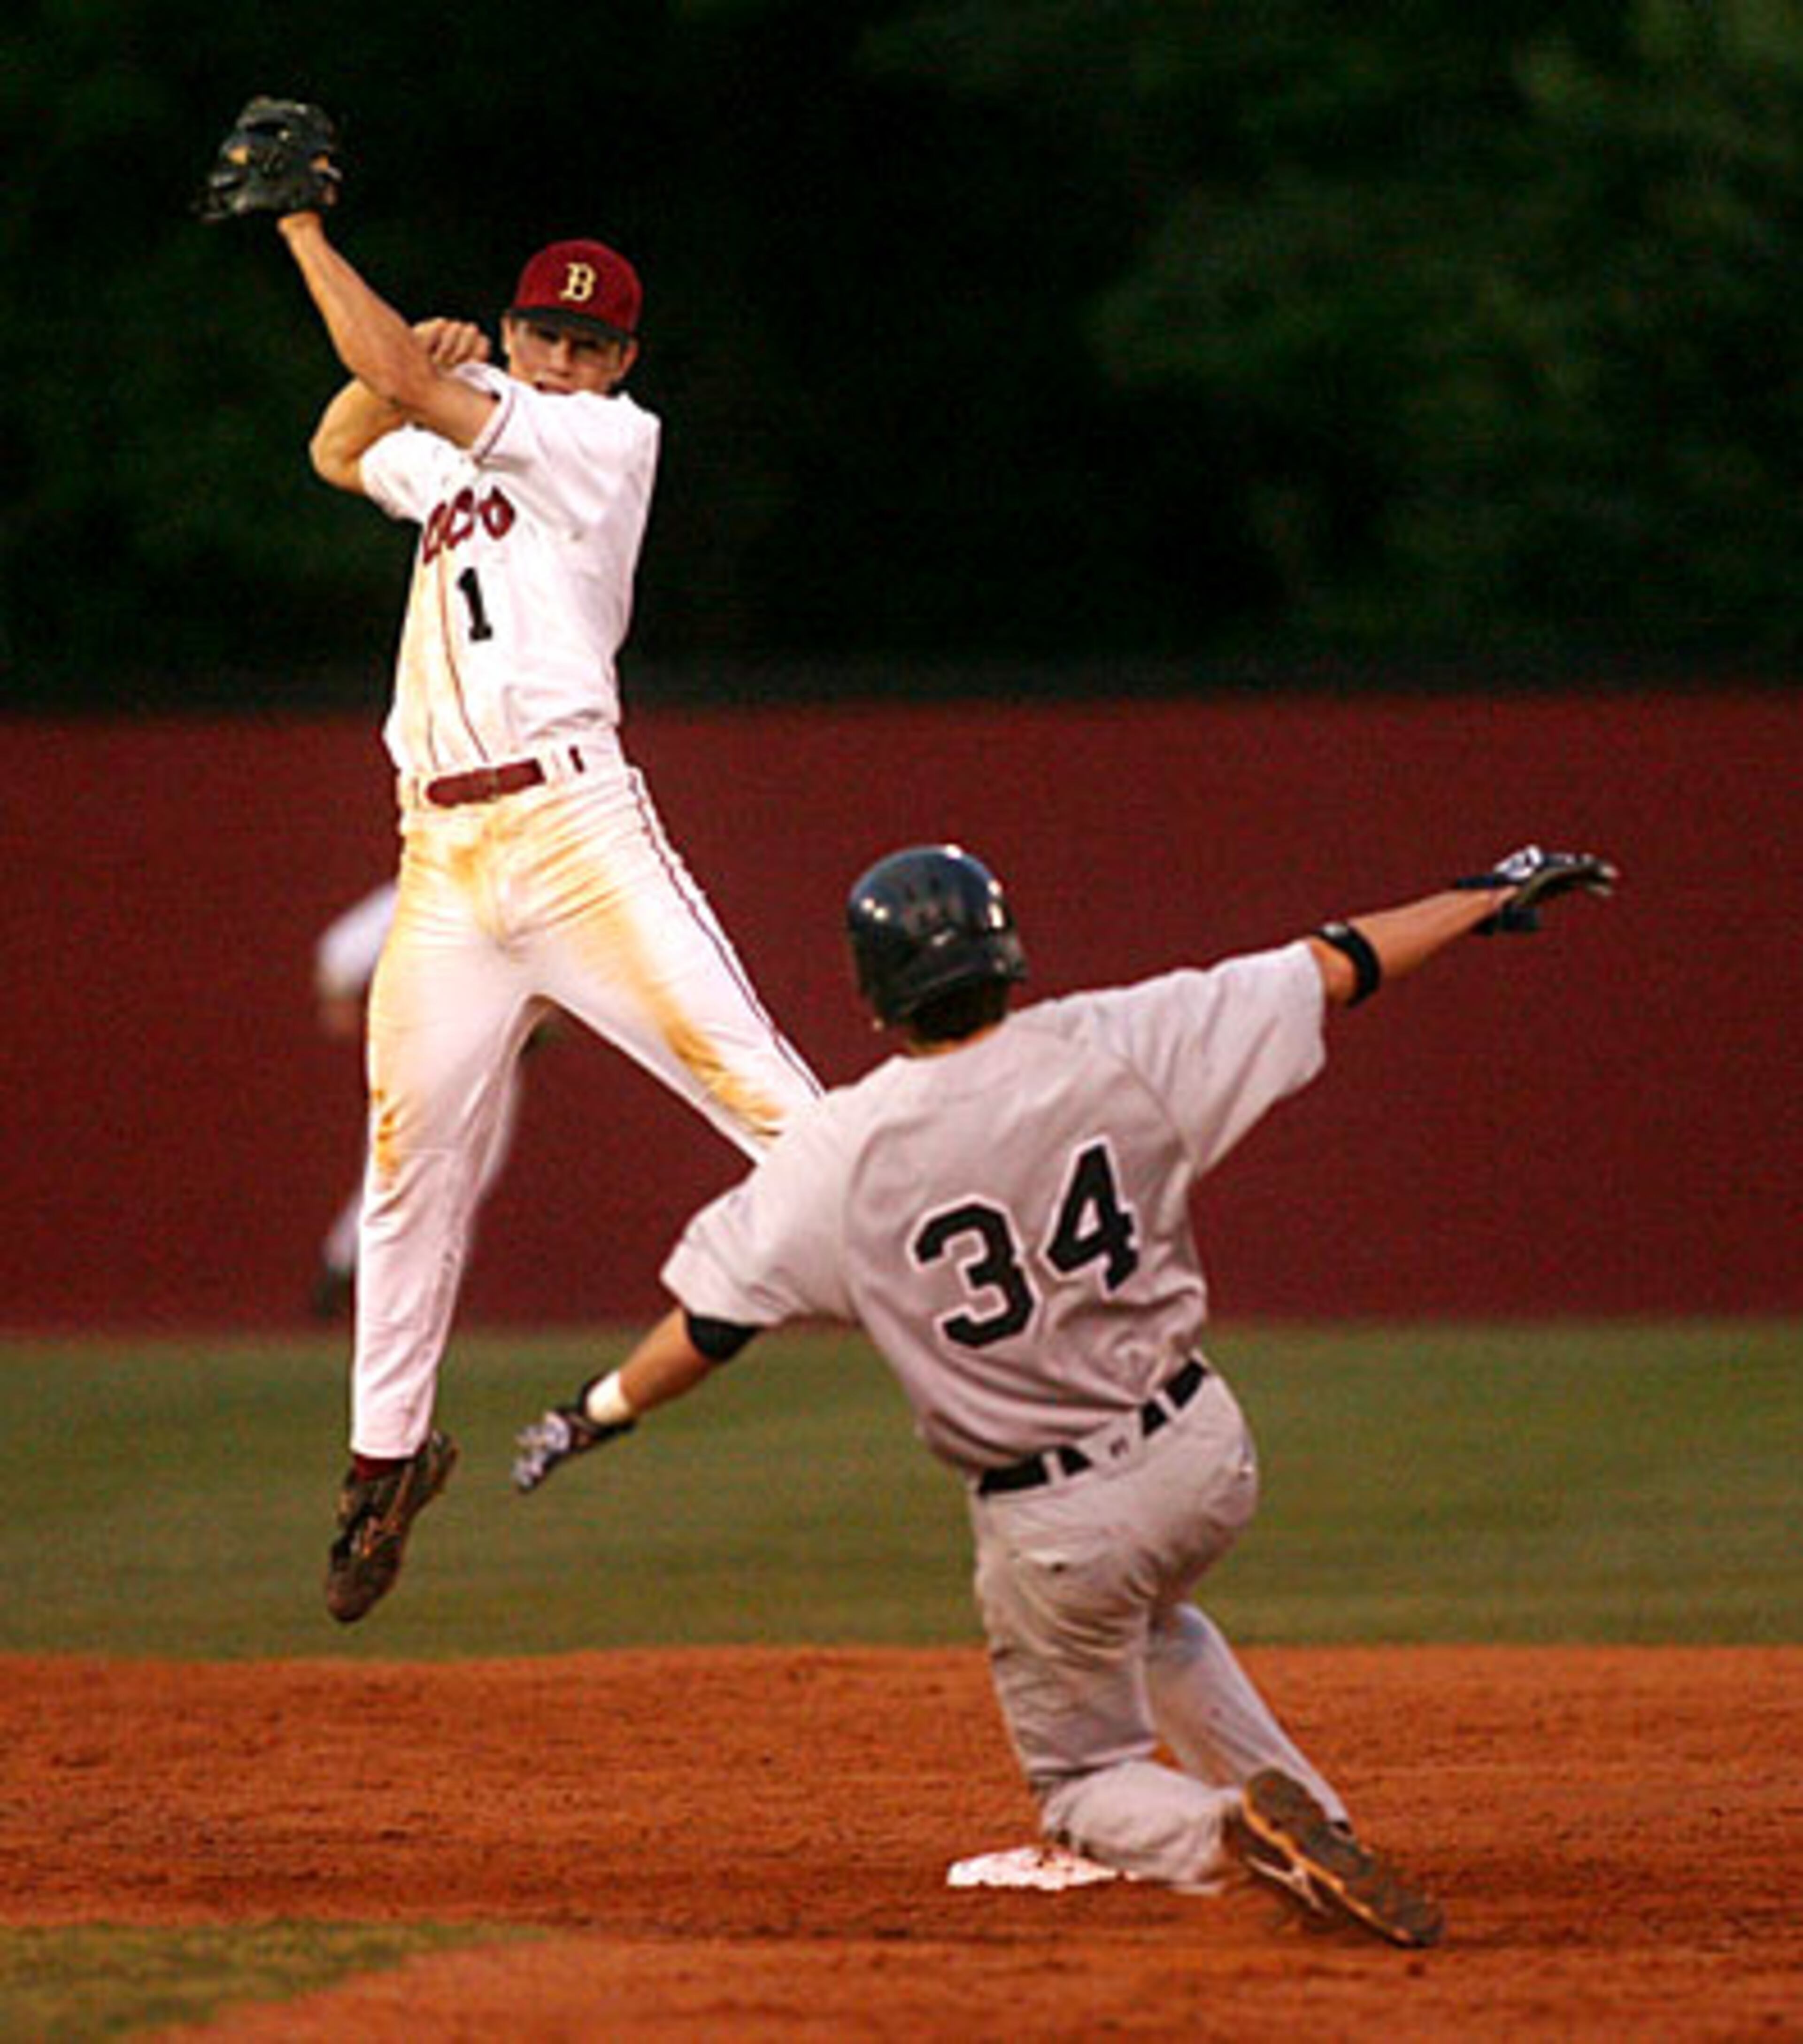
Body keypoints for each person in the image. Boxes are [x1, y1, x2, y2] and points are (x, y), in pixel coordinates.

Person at [510, 839, 1618, 1945]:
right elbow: (1336, 963)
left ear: (873, 992)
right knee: (1150, 1623)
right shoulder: (1118, 1041)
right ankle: (1312, 1818)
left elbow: (710, 1324)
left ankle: (1230, 1831)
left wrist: (594, 1408)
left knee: (1083, 1783)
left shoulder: (836, 1151)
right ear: (1005, 954)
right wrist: (1477, 897)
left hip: (1056, 1519)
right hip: (1199, 1449)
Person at [266, 205, 821, 1624]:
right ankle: (384, 1460)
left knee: (773, 1108)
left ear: (619, 361)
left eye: (591, 342)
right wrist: (399, 373)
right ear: (512, 331)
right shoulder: (462, 444)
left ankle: (1005, 1301)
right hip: (442, 854)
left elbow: (391, 366)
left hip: (574, 835)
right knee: (404, 1167)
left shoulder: (600, 441)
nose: (565, 356)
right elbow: (342, 446)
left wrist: (301, 226)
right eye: (544, 333)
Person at [308, 880, 547, 1319]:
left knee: (453, 1182)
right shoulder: (430, 884)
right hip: (428, 1051)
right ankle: (352, 1272)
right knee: (403, 1175)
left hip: (486, 1057)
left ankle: (396, 1286)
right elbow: (339, 955)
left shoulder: (516, 894)